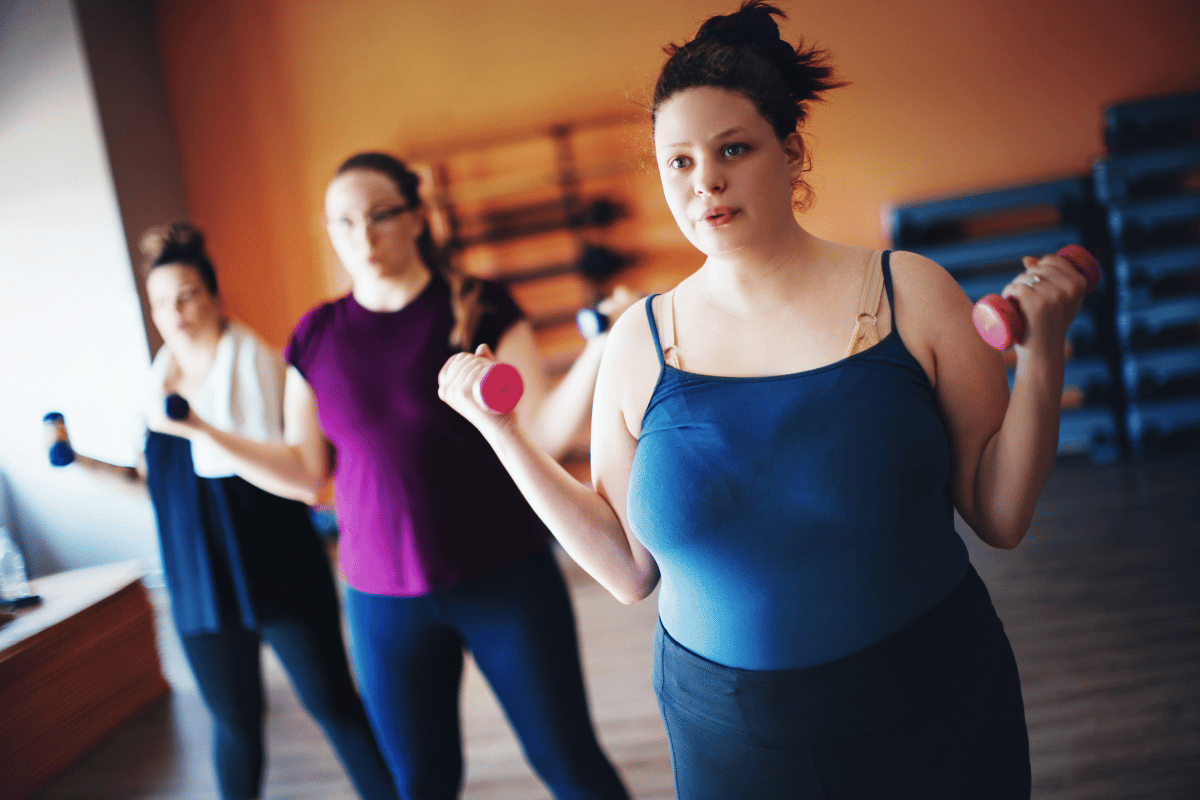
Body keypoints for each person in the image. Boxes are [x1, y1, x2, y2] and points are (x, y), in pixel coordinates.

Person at [437, 3, 1090, 798]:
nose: (705, 181)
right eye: (678, 161)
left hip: (929, 705)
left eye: (732, 149)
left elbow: (1000, 514)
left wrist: (1043, 352)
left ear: (790, 151)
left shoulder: (911, 295)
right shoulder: (638, 342)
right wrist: (502, 432)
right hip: (728, 737)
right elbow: (626, 570)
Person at [156, 152, 633, 800]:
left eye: (380, 215)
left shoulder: (478, 306)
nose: (364, 236)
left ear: (415, 218)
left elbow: (545, 432)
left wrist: (602, 347)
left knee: (569, 765)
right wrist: (202, 433)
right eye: (344, 222)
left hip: (506, 579)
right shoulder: (315, 335)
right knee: (419, 786)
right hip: (383, 602)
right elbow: (305, 473)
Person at [61, 222, 397, 800]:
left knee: (334, 705)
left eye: (187, 295)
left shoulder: (260, 365)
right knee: (235, 726)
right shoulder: (157, 387)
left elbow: (299, 470)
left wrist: (200, 426)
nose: (175, 312)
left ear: (215, 297)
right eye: (161, 302)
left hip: (279, 569)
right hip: (199, 582)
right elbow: (157, 487)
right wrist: (82, 463)